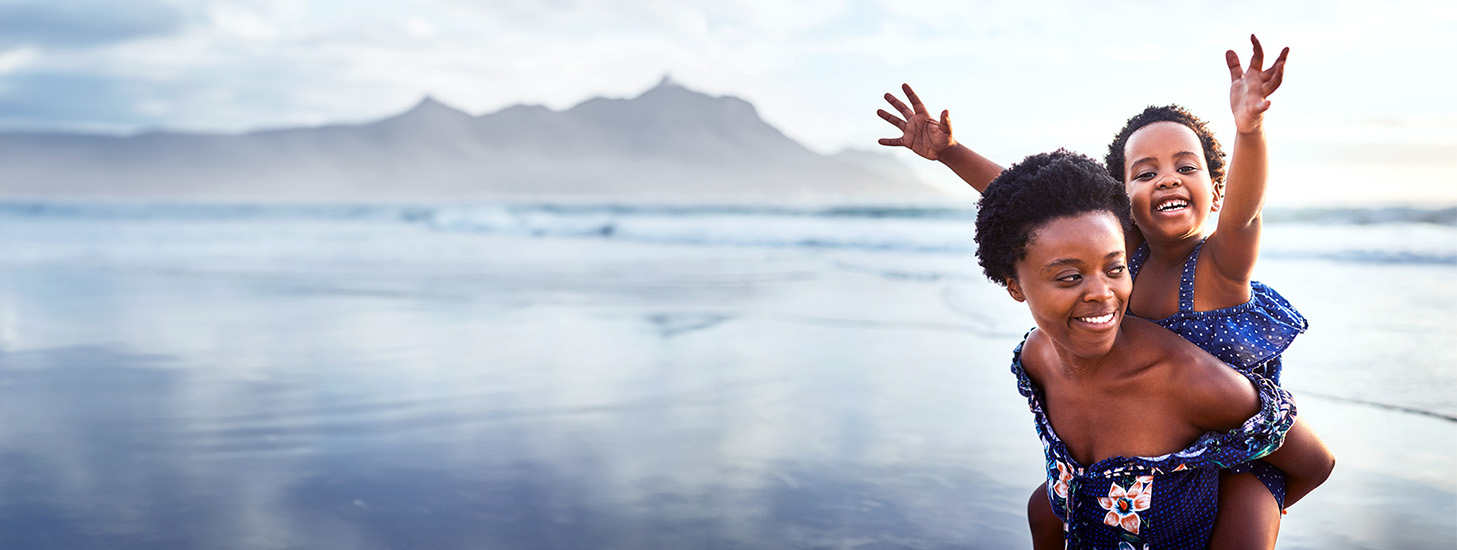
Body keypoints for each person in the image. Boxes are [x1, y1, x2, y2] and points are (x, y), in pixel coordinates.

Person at [878, 35, 1333, 548]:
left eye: (1187, 167)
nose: (1167, 180)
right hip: (1149, 429)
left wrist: (1249, 129)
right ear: (1120, 200)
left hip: (1239, 445)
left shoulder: (1219, 265)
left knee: (1245, 520)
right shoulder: (1124, 253)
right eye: (1146, 172)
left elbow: (1246, 211)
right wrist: (951, 153)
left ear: (1216, 190)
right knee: (1045, 511)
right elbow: (1037, 209)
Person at [975, 149, 1328, 549]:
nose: (1102, 293)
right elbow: (1029, 212)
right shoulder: (1036, 360)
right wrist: (950, 153)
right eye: (1071, 277)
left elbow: (1314, 463)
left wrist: (1249, 504)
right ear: (1014, 285)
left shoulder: (1188, 379)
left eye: (1115, 268)